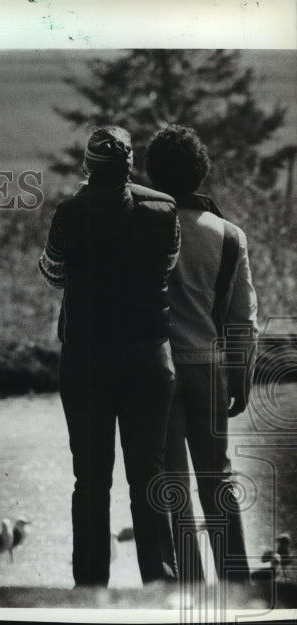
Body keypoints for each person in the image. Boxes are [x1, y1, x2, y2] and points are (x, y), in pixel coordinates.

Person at [39, 125, 180, 586]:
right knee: (149, 477)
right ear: (130, 163)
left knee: (92, 482)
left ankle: (90, 590)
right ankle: (160, 585)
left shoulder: (69, 213)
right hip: (149, 359)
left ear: (87, 166)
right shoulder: (164, 209)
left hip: (86, 361)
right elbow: (166, 266)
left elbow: (54, 273)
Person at [145, 125, 258, 586]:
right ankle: (239, 586)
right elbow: (242, 318)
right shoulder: (229, 235)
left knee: (173, 486)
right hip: (211, 372)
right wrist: (241, 376)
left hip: (162, 374)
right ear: (200, 172)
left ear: (153, 172)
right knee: (219, 481)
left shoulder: (144, 227)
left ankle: (187, 590)